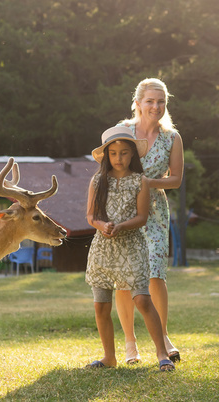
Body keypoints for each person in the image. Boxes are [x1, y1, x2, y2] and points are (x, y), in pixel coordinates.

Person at [84, 126, 175, 372]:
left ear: (132, 154)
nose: (119, 158)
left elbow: (142, 217)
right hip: (103, 249)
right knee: (101, 304)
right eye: (113, 153)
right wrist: (102, 224)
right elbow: (91, 215)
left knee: (143, 300)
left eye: (124, 153)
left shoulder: (140, 181)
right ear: (106, 156)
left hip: (132, 246)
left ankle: (161, 354)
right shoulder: (97, 181)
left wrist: (121, 226)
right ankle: (109, 357)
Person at [114, 78, 184, 364]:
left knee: (156, 274)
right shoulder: (123, 131)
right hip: (122, 209)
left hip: (154, 211)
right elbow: (108, 167)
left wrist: (147, 182)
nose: (155, 106)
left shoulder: (172, 137)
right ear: (139, 102)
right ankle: (130, 343)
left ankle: (163, 336)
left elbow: (176, 179)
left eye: (160, 101)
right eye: (150, 101)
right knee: (124, 277)